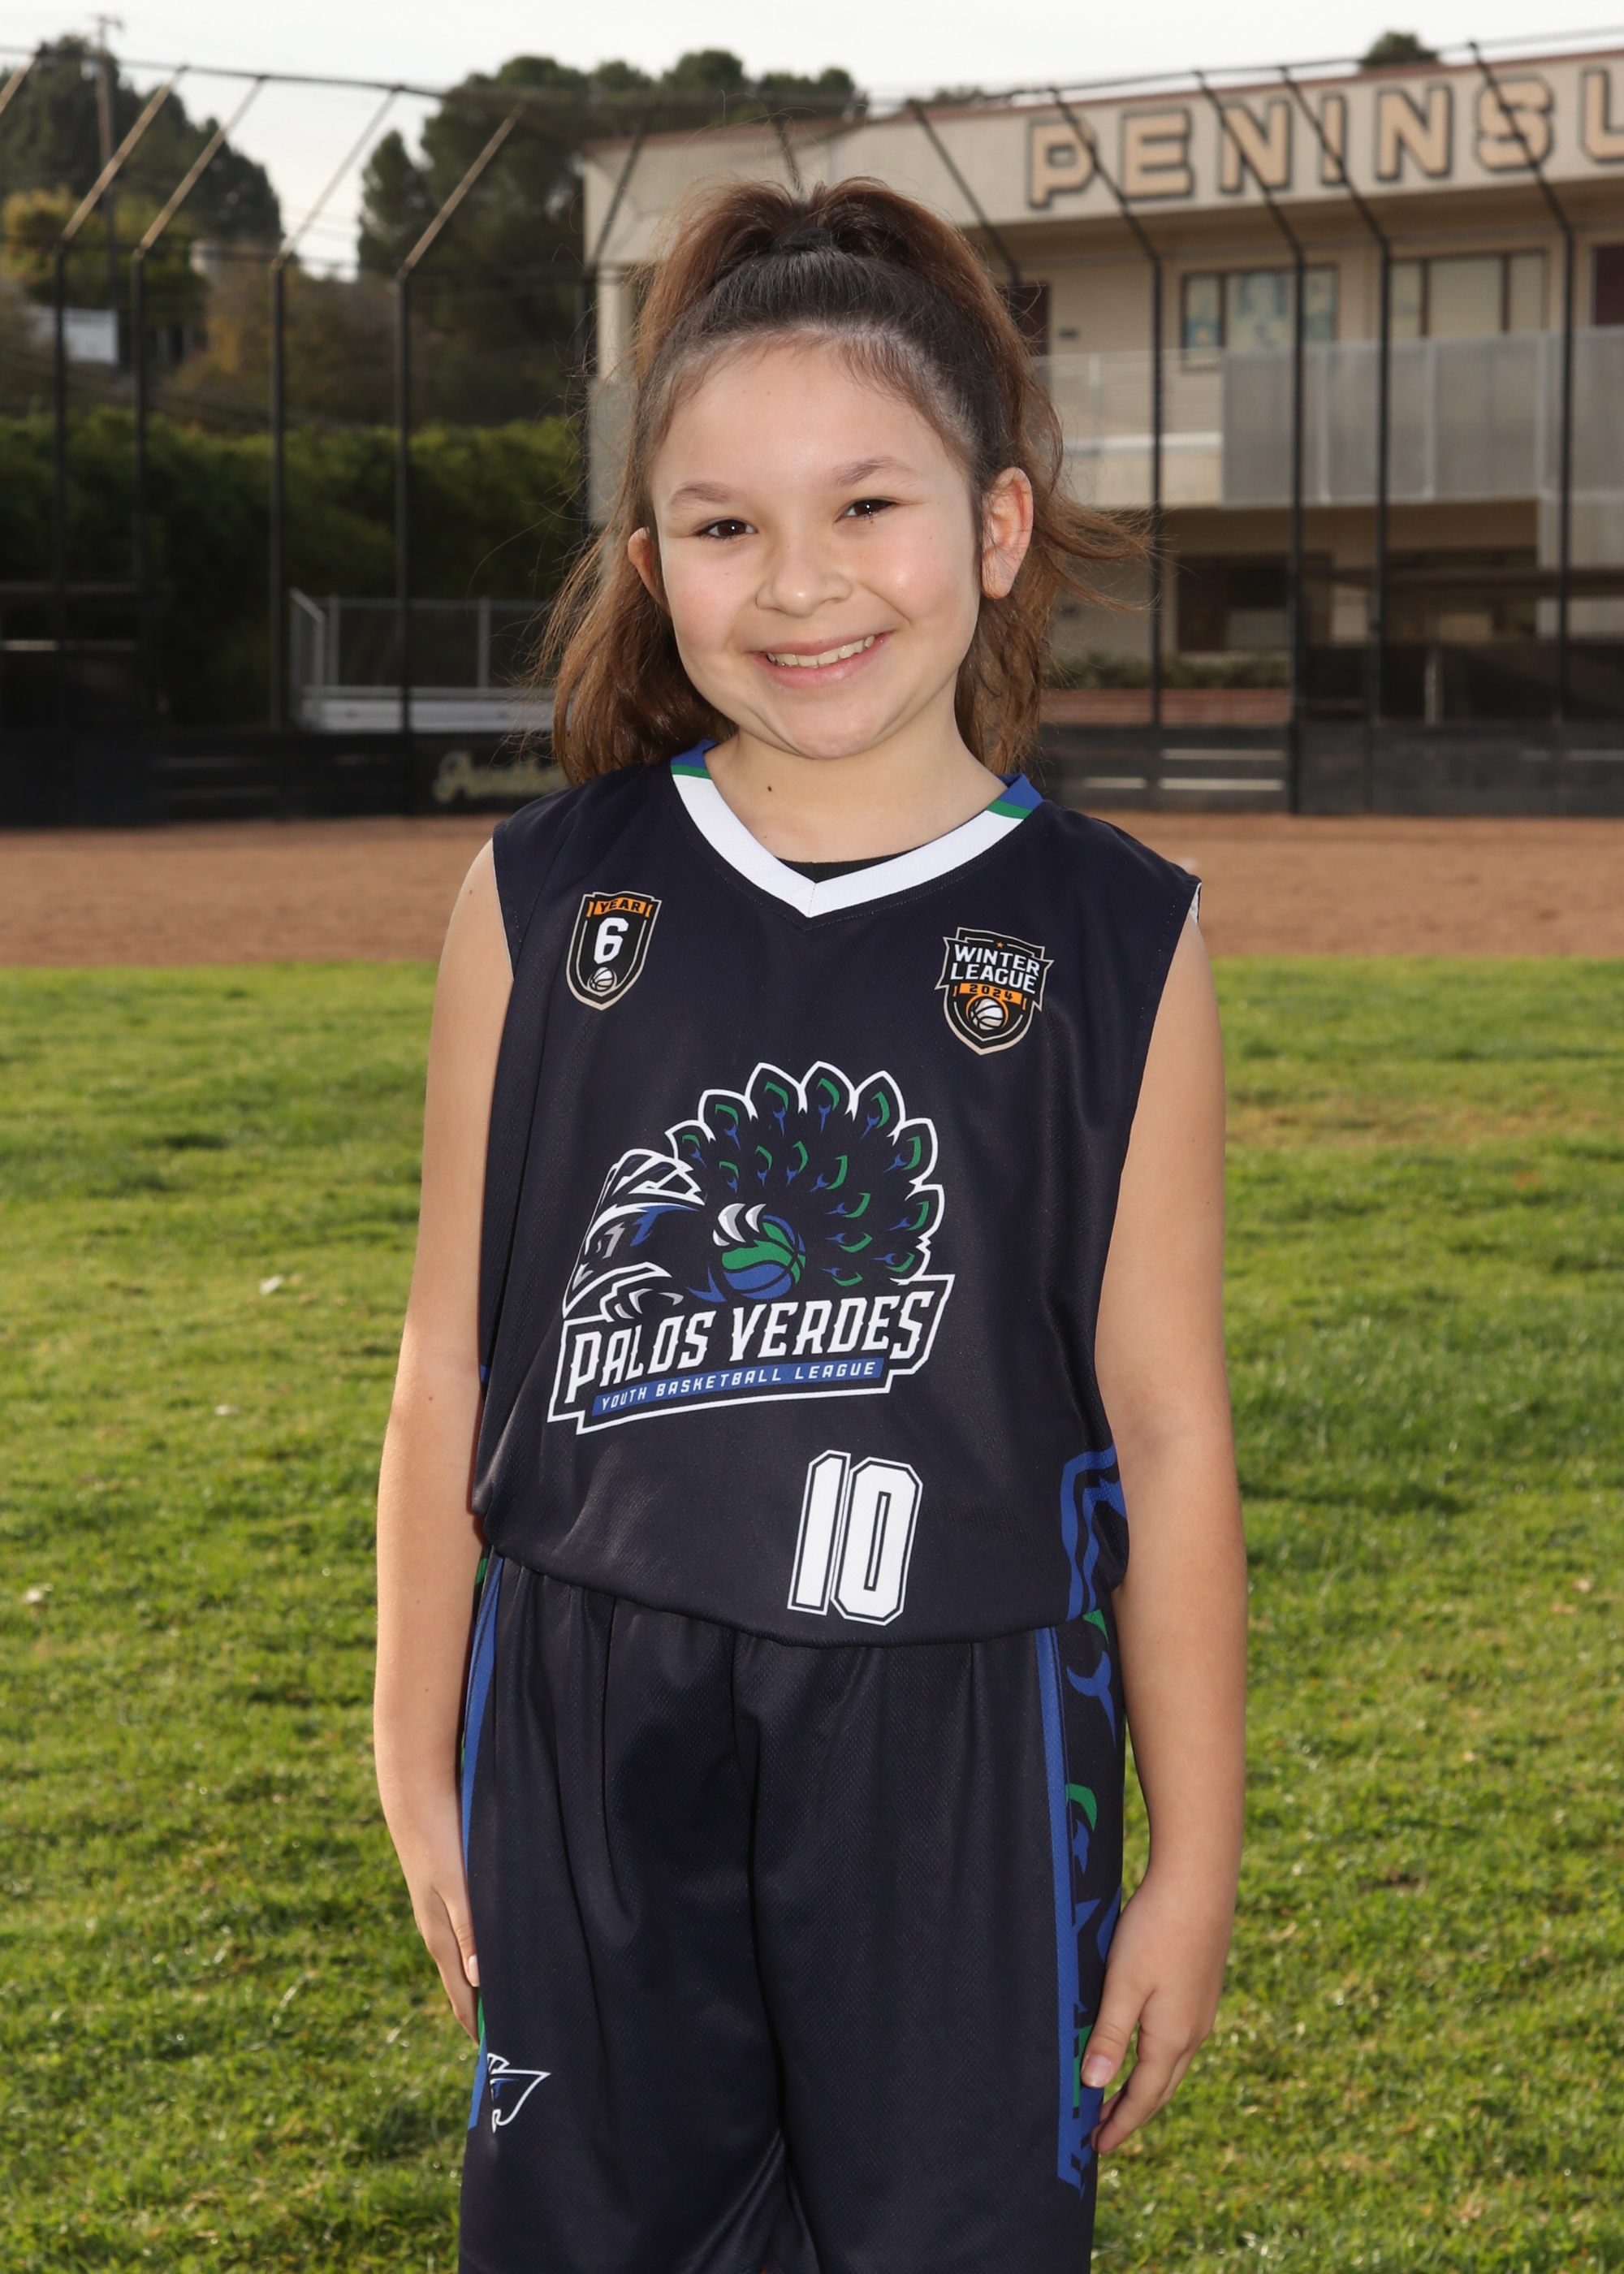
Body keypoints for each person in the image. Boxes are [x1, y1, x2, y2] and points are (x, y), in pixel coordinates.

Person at [374, 175, 1246, 2274]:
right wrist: (413, 1743)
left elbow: (1168, 1429)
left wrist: (1195, 1855)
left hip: (960, 1734)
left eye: (866, 506)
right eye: (724, 524)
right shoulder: (543, 899)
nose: (800, 583)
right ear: (650, 564)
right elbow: (446, 1356)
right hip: (590, 1717)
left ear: (997, 528)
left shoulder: (1117, 936)